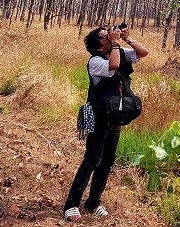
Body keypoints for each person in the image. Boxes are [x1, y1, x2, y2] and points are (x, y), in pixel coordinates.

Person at [63, 25, 149, 222]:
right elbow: (114, 65)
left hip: (115, 116)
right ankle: (71, 204)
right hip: (99, 116)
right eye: (105, 36)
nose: (110, 36)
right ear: (100, 47)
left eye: (108, 33)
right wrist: (116, 43)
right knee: (92, 159)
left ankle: (93, 202)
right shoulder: (95, 61)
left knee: (107, 161)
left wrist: (127, 39)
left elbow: (144, 52)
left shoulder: (119, 51)